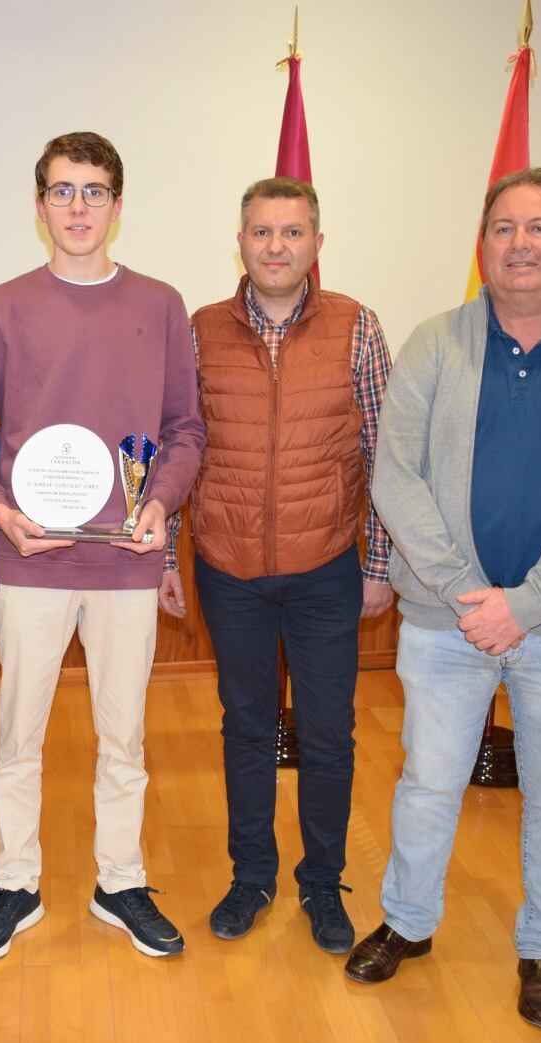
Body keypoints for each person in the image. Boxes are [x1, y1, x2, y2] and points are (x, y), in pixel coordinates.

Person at [348, 167, 541, 1029]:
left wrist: (525, 604)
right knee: (426, 782)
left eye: (540, 227)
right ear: (481, 245)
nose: (519, 243)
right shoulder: (435, 342)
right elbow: (395, 477)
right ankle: (408, 924)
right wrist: (463, 590)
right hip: (447, 619)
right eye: (502, 228)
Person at [0, 132, 206, 960]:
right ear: (39, 205)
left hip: (126, 562)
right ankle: (16, 881)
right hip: (32, 558)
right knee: (17, 737)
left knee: (124, 739)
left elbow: (185, 431)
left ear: (118, 206)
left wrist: (161, 502)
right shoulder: (2, 307)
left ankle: (119, 880)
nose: (78, 208)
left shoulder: (162, 305)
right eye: (62, 191)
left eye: (94, 191)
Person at [158, 176, 392, 955]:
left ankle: (322, 883)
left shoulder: (357, 328)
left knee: (329, 734)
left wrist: (379, 561)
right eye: (262, 232)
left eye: (292, 233)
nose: (276, 247)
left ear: (317, 244)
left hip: (327, 566)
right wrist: (165, 553)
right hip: (229, 567)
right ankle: (252, 874)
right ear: (242, 242)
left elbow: (384, 452)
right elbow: (175, 449)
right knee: (247, 727)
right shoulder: (198, 331)